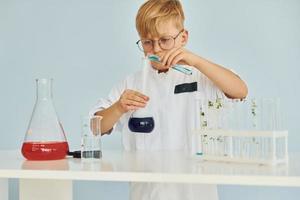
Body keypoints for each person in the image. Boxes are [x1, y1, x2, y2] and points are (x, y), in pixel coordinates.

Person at [90, 0, 248, 199]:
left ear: (183, 38)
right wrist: (119, 107)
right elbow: (96, 127)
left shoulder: (200, 76)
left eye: (165, 40)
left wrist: (195, 61)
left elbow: (240, 90)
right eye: (147, 42)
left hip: (196, 193)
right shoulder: (131, 83)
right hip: (146, 194)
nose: (156, 49)